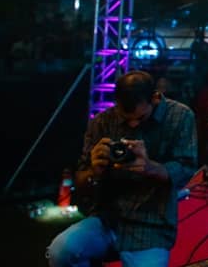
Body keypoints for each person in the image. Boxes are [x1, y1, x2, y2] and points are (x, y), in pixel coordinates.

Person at [46, 70, 197, 267]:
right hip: (108, 219)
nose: (133, 125)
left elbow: (187, 168)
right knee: (60, 251)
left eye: (141, 118)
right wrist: (94, 171)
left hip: (152, 224)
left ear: (155, 98)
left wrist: (151, 168)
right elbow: (81, 181)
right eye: (126, 120)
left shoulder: (179, 116)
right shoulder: (102, 122)